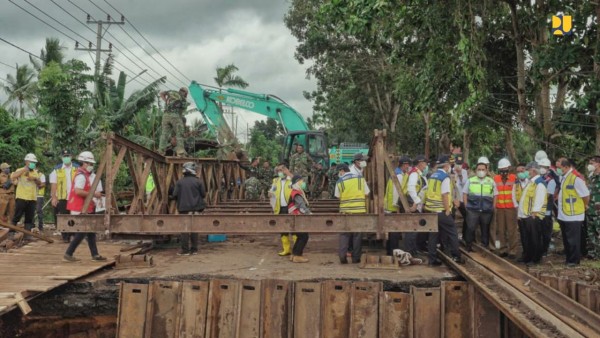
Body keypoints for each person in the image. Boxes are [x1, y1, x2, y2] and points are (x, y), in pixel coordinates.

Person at [63, 151, 106, 262]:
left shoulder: (86, 175)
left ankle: (95, 254)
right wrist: (93, 194)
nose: (91, 166)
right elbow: (78, 191)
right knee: (82, 231)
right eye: (89, 163)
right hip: (80, 207)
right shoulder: (81, 176)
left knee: (91, 231)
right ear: (84, 163)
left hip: (86, 207)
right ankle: (68, 253)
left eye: (92, 164)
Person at [423, 155, 463, 265]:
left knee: (433, 234)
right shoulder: (445, 177)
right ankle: (456, 256)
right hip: (441, 210)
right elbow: (445, 194)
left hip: (431, 210)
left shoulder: (432, 176)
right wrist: (447, 210)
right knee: (453, 232)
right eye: (449, 165)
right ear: (446, 165)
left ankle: (432, 260)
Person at [556, 158, 590, 267]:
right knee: (567, 239)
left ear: (566, 167)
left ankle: (574, 260)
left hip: (574, 215)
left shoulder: (576, 178)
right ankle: (569, 258)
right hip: (564, 214)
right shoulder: (564, 177)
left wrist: (584, 205)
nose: (558, 170)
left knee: (573, 239)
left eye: (560, 168)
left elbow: (585, 195)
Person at [335, 164, 370, 264]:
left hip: (345, 211)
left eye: (339, 172)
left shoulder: (340, 181)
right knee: (357, 235)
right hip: (359, 211)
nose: (339, 174)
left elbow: (338, 196)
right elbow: (367, 193)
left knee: (344, 234)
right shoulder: (360, 179)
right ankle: (356, 258)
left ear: (342, 170)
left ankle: (342, 257)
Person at [463, 156, 497, 251]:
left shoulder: (491, 181)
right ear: (476, 170)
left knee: (485, 228)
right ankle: (468, 246)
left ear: (486, 170)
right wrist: (466, 205)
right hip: (473, 209)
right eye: (479, 169)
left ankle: (484, 246)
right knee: (470, 228)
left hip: (486, 210)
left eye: (483, 169)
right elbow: (465, 193)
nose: (481, 171)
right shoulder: (471, 180)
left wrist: (493, 206)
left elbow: (495, 195)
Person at [517, 162, 547, 266]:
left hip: (533, 215)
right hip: (525, 215)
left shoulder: (539, 183)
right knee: (526, 238)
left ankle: (535, 258)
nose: (525, 172)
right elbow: (524, 199)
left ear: (533, 170)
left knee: (534, 238)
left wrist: (534, 213)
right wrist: (520, 214)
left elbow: (539, 199)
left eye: (527, 170)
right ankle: (527, 256)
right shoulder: (531, 182)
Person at [172, 162, 206, 256]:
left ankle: (185, 250)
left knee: (185, 229)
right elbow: (203, 195)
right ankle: (194, 249)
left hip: (184, 209)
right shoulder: (199, 181)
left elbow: (174, 195)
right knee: (194, 228)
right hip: (196, 208)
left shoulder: (179, 182)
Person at [50, 150, 79, 243]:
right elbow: (53, 184)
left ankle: (74, 235)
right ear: (62, 157)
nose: (66, 157)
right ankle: (65, 236)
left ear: (71, 156)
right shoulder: (57, 169)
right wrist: (54, 197)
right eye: (64, 156)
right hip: (62, 197)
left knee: (74, 216)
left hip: (74, 197)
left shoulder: (77, 168)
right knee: (63, 216)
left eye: (68, 155)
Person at [384, 156, 411, 255]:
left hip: (390, 205)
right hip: (393, 206)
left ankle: (390, 250)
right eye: (407, 165)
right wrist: (397, 206)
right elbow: (396, 192)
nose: (408, 167)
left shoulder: (399, 173)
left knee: (392, 230)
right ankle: (393, 251)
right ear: (404, 165)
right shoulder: (399, 175)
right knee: (394, 230)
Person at [11, 154, 44, 233]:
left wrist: (35, 179)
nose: (33, 163)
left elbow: (40, 184)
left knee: (29, 218)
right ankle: (11, 233)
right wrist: (24, 170)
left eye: (34, 162)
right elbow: (13, 177)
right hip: (21, 197)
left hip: (32, 198)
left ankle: (27, 235)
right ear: (26, 162)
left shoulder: (35, 172)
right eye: (31, 162)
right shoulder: (20, 170)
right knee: (17, 216)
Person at [493, 158, 518, 259]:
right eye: (501, 169)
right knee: (501, 230)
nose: (503, 171)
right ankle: (502, 249)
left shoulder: (514, 178)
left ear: (508, 168)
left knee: (512, 230)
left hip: (511, 208)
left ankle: (513, 250)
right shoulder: (495, 179)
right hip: (499, 208)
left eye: (505, 168)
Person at [404, 155, 428, 255]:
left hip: (415, 202)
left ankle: (413, 250)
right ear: (420, 163)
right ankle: (410, 251)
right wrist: (416, 202)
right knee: (412, 228)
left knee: (415, 228)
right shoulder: (414, 174)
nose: (426, 165)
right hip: (412, 202)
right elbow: (410, 189)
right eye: (425, 163)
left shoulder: (418, 174)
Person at [269, 164, 294, 256]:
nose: (281, 172)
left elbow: (302, 186)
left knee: (294, 228)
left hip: (291, 208)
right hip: (280, 208)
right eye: (279, 170)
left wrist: (289, 174)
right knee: (283, 229)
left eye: (282, 170)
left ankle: (296, 249)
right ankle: (286, 249)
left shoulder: (291, 180)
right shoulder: (275, 181)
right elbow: (271, 191)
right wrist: (270, 194)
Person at [159, 87, 188, 156]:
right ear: (185, 93)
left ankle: (161, 151)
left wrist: (165, 100)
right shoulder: (183, 99)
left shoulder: (171, 91)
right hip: (175, 116)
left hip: (165, 116)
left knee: (164, 134)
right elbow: (182, 110)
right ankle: (180, 152)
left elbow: (161, 93)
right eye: (186, 94)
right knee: (179, 133)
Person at [288, 175, 311, 263]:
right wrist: (309, 213)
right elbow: (302, 207)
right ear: (297, 182)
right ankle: (297, 255)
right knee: (304, 236)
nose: (303, 183)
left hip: (294, 218)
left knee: (300, 236)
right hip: (297, 218)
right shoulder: (296, 193)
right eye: (302, 181)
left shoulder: (295, 192)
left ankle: (294, 254)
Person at [538, 158, 558, 256]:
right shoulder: (539, 178)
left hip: (547, 210)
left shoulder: (551, 180)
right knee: (539, 230)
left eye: (544, 167)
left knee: (546, 230)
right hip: (539, 209)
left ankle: (544, 250)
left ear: (548, 168)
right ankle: (540, 248)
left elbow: (548, 195)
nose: (542, 169)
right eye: (540, 167)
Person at [586, 156, 600, 259]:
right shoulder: (591, 176)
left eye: (592, 163)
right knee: (590, 231)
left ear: (598, 164)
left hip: (598, 209)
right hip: (590, 208)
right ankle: (592, 253)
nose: (590, 165)